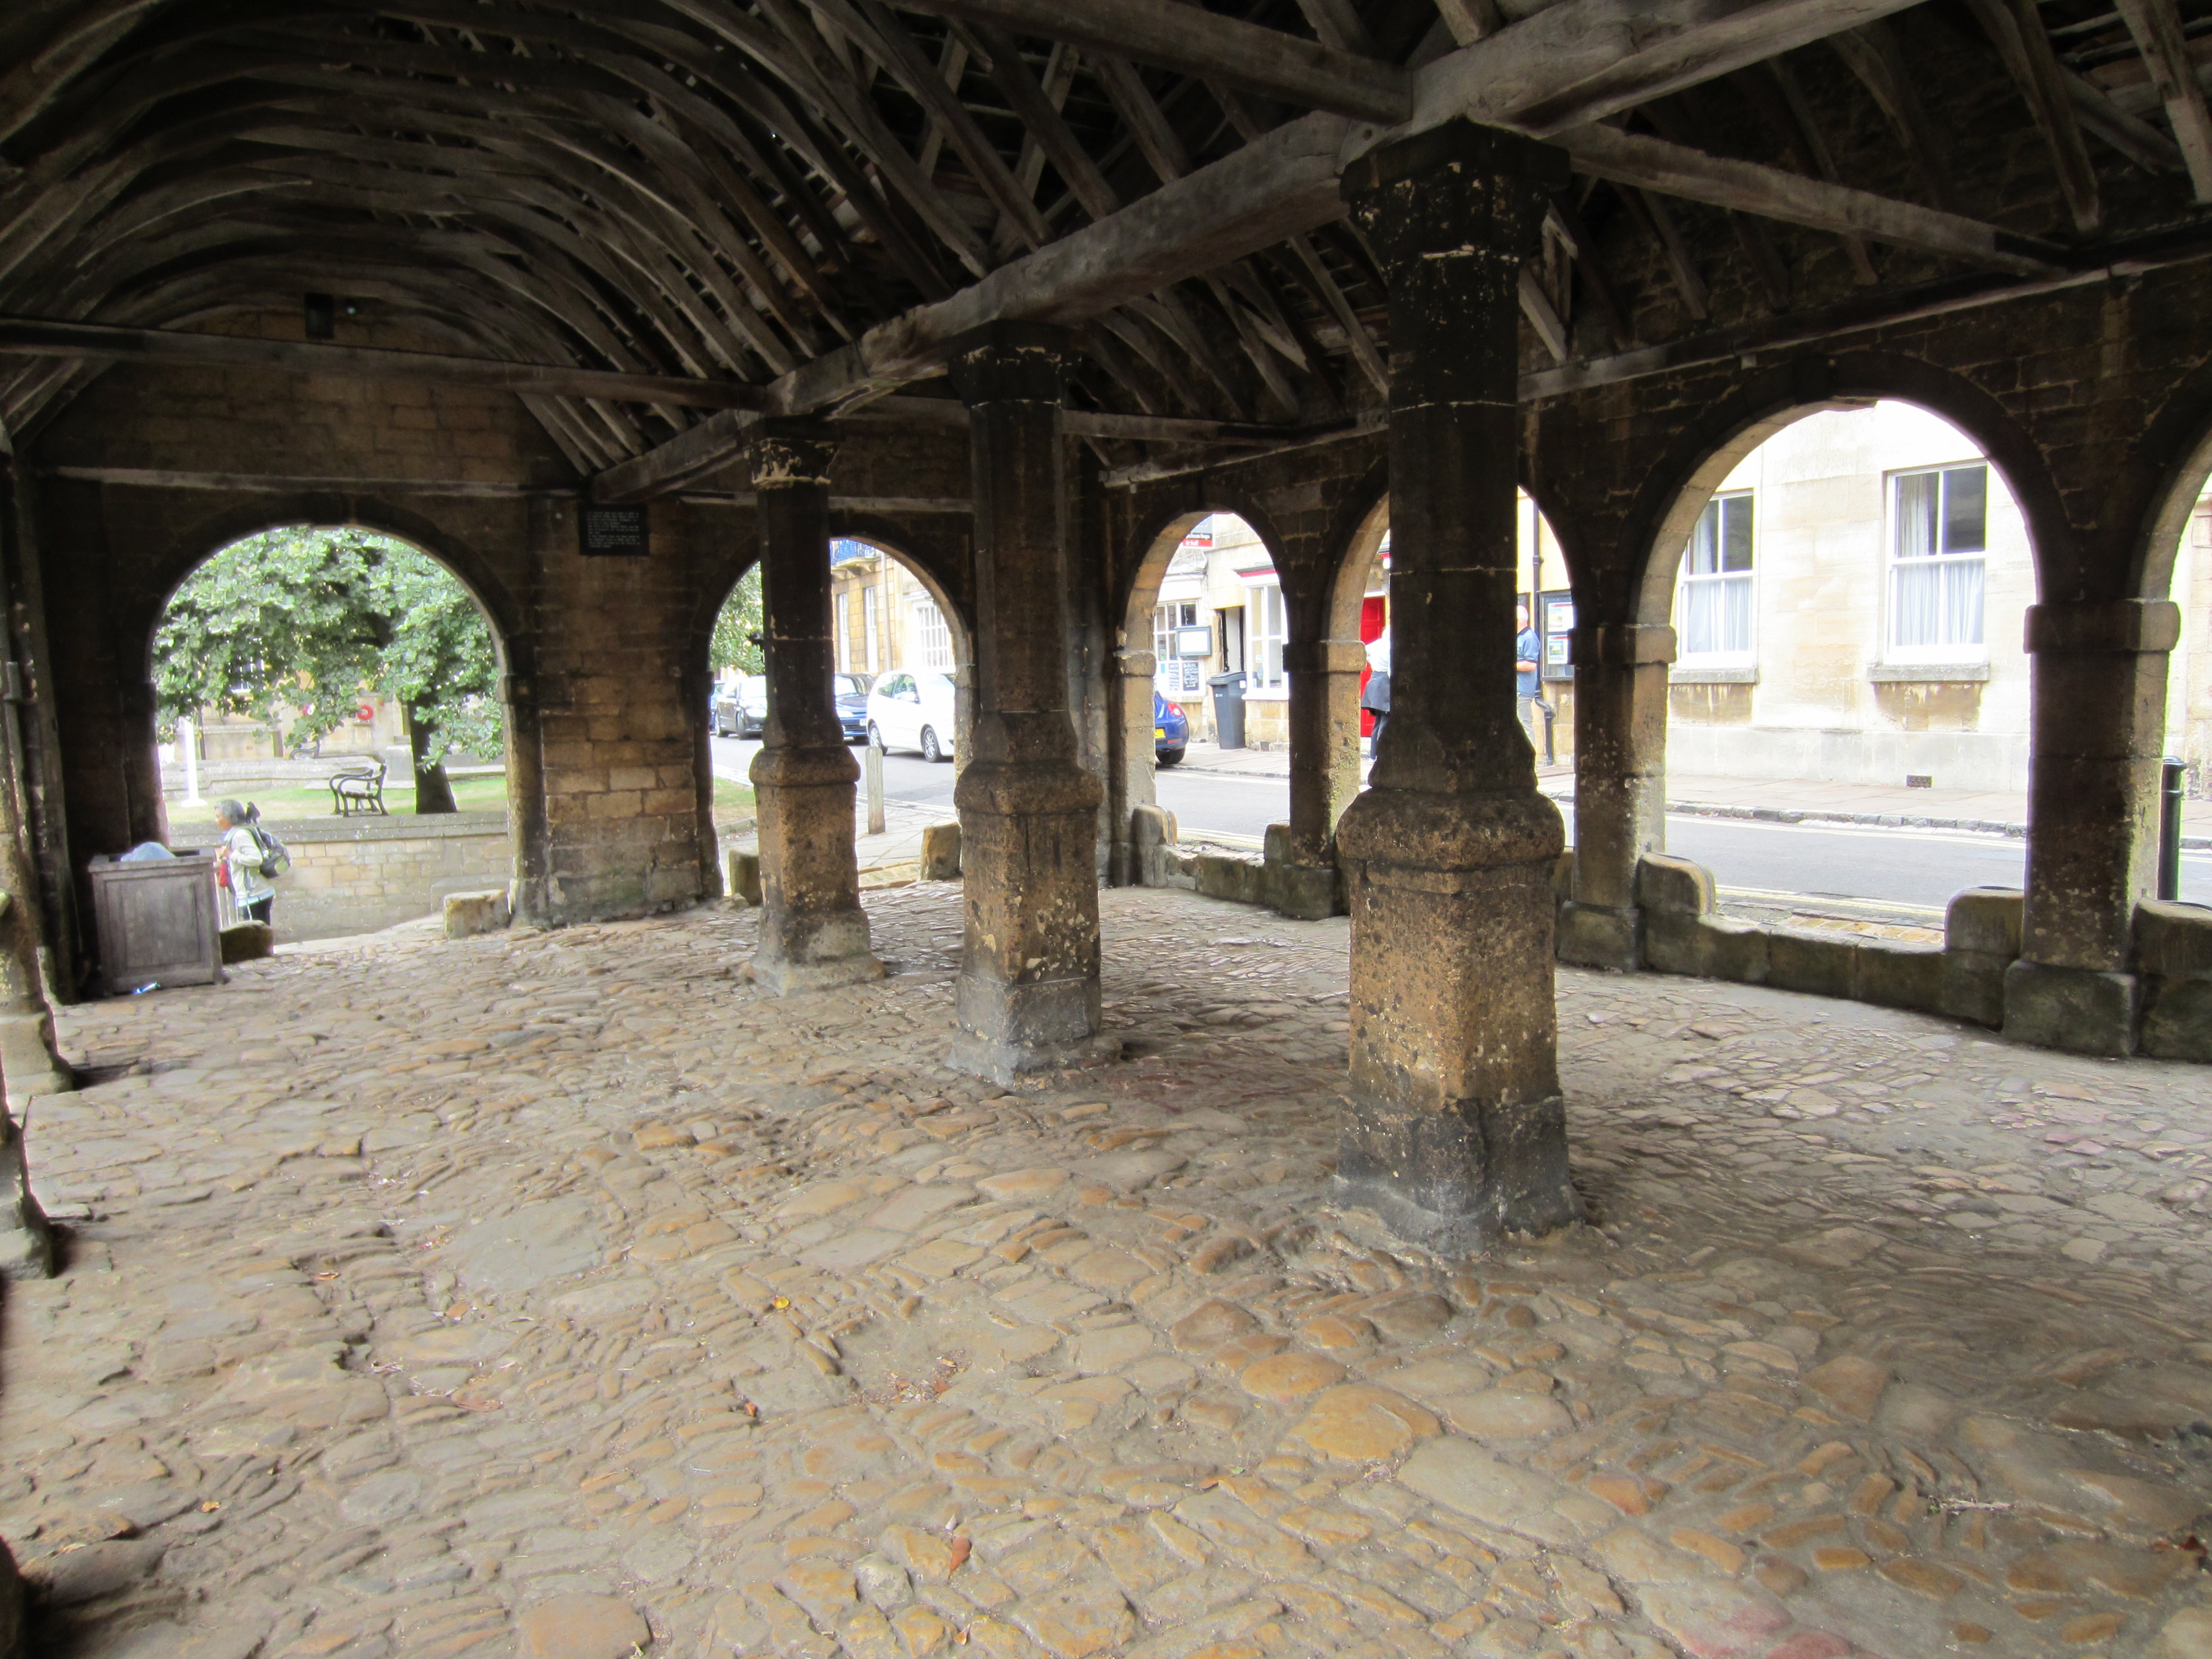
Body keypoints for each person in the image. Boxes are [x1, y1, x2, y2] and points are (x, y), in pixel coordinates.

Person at [213, 799, 275, 925]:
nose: (216, 821)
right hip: (254, 894)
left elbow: (256, 859)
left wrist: (231, 855)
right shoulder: (237, 833)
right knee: (260, 931)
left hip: (253, 894)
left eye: (219, 817)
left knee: (255, 932)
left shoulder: (240, 835)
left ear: (230, 817)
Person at [1515, 602, 1548, 759]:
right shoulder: (1519, 637)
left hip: (1522, 690)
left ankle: (1530, 760)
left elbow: (1531, 664)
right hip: (1516, 689)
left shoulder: (1529, 638)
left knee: (1524, 724)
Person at [1360, 637, 1391, 755]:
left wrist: (1373, 662)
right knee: (1385, 721)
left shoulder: (1377, 644)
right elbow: (1391, 670)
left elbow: (1365, 651)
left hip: (1375, 680)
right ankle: (1380, 755)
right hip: (1385, 682)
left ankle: (1373, 755)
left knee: (1378, 722)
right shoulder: (1390, 646)